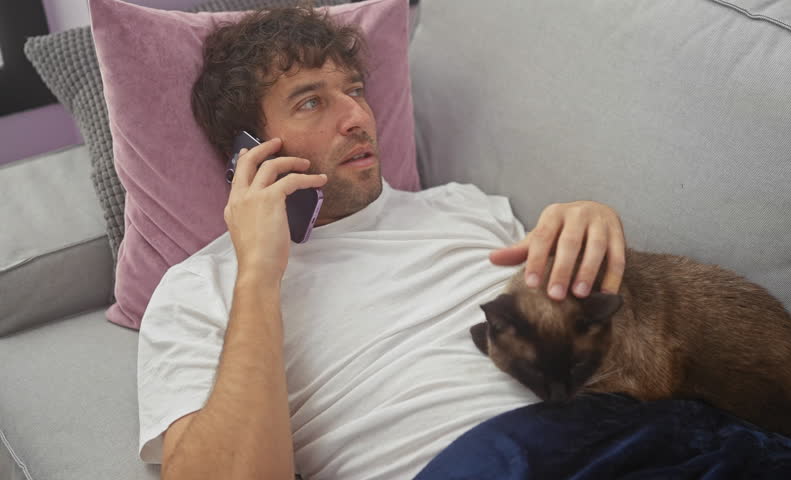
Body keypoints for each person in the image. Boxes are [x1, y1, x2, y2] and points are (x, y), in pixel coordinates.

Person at [137, 5, 626, 480]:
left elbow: (597, 342)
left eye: (355, 90)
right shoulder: (199, 288)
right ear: (248, 152)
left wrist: (591, 236)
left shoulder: (465, 206)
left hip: (622, 435)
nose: (357, 117)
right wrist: (260, 272)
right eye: (311, 102)